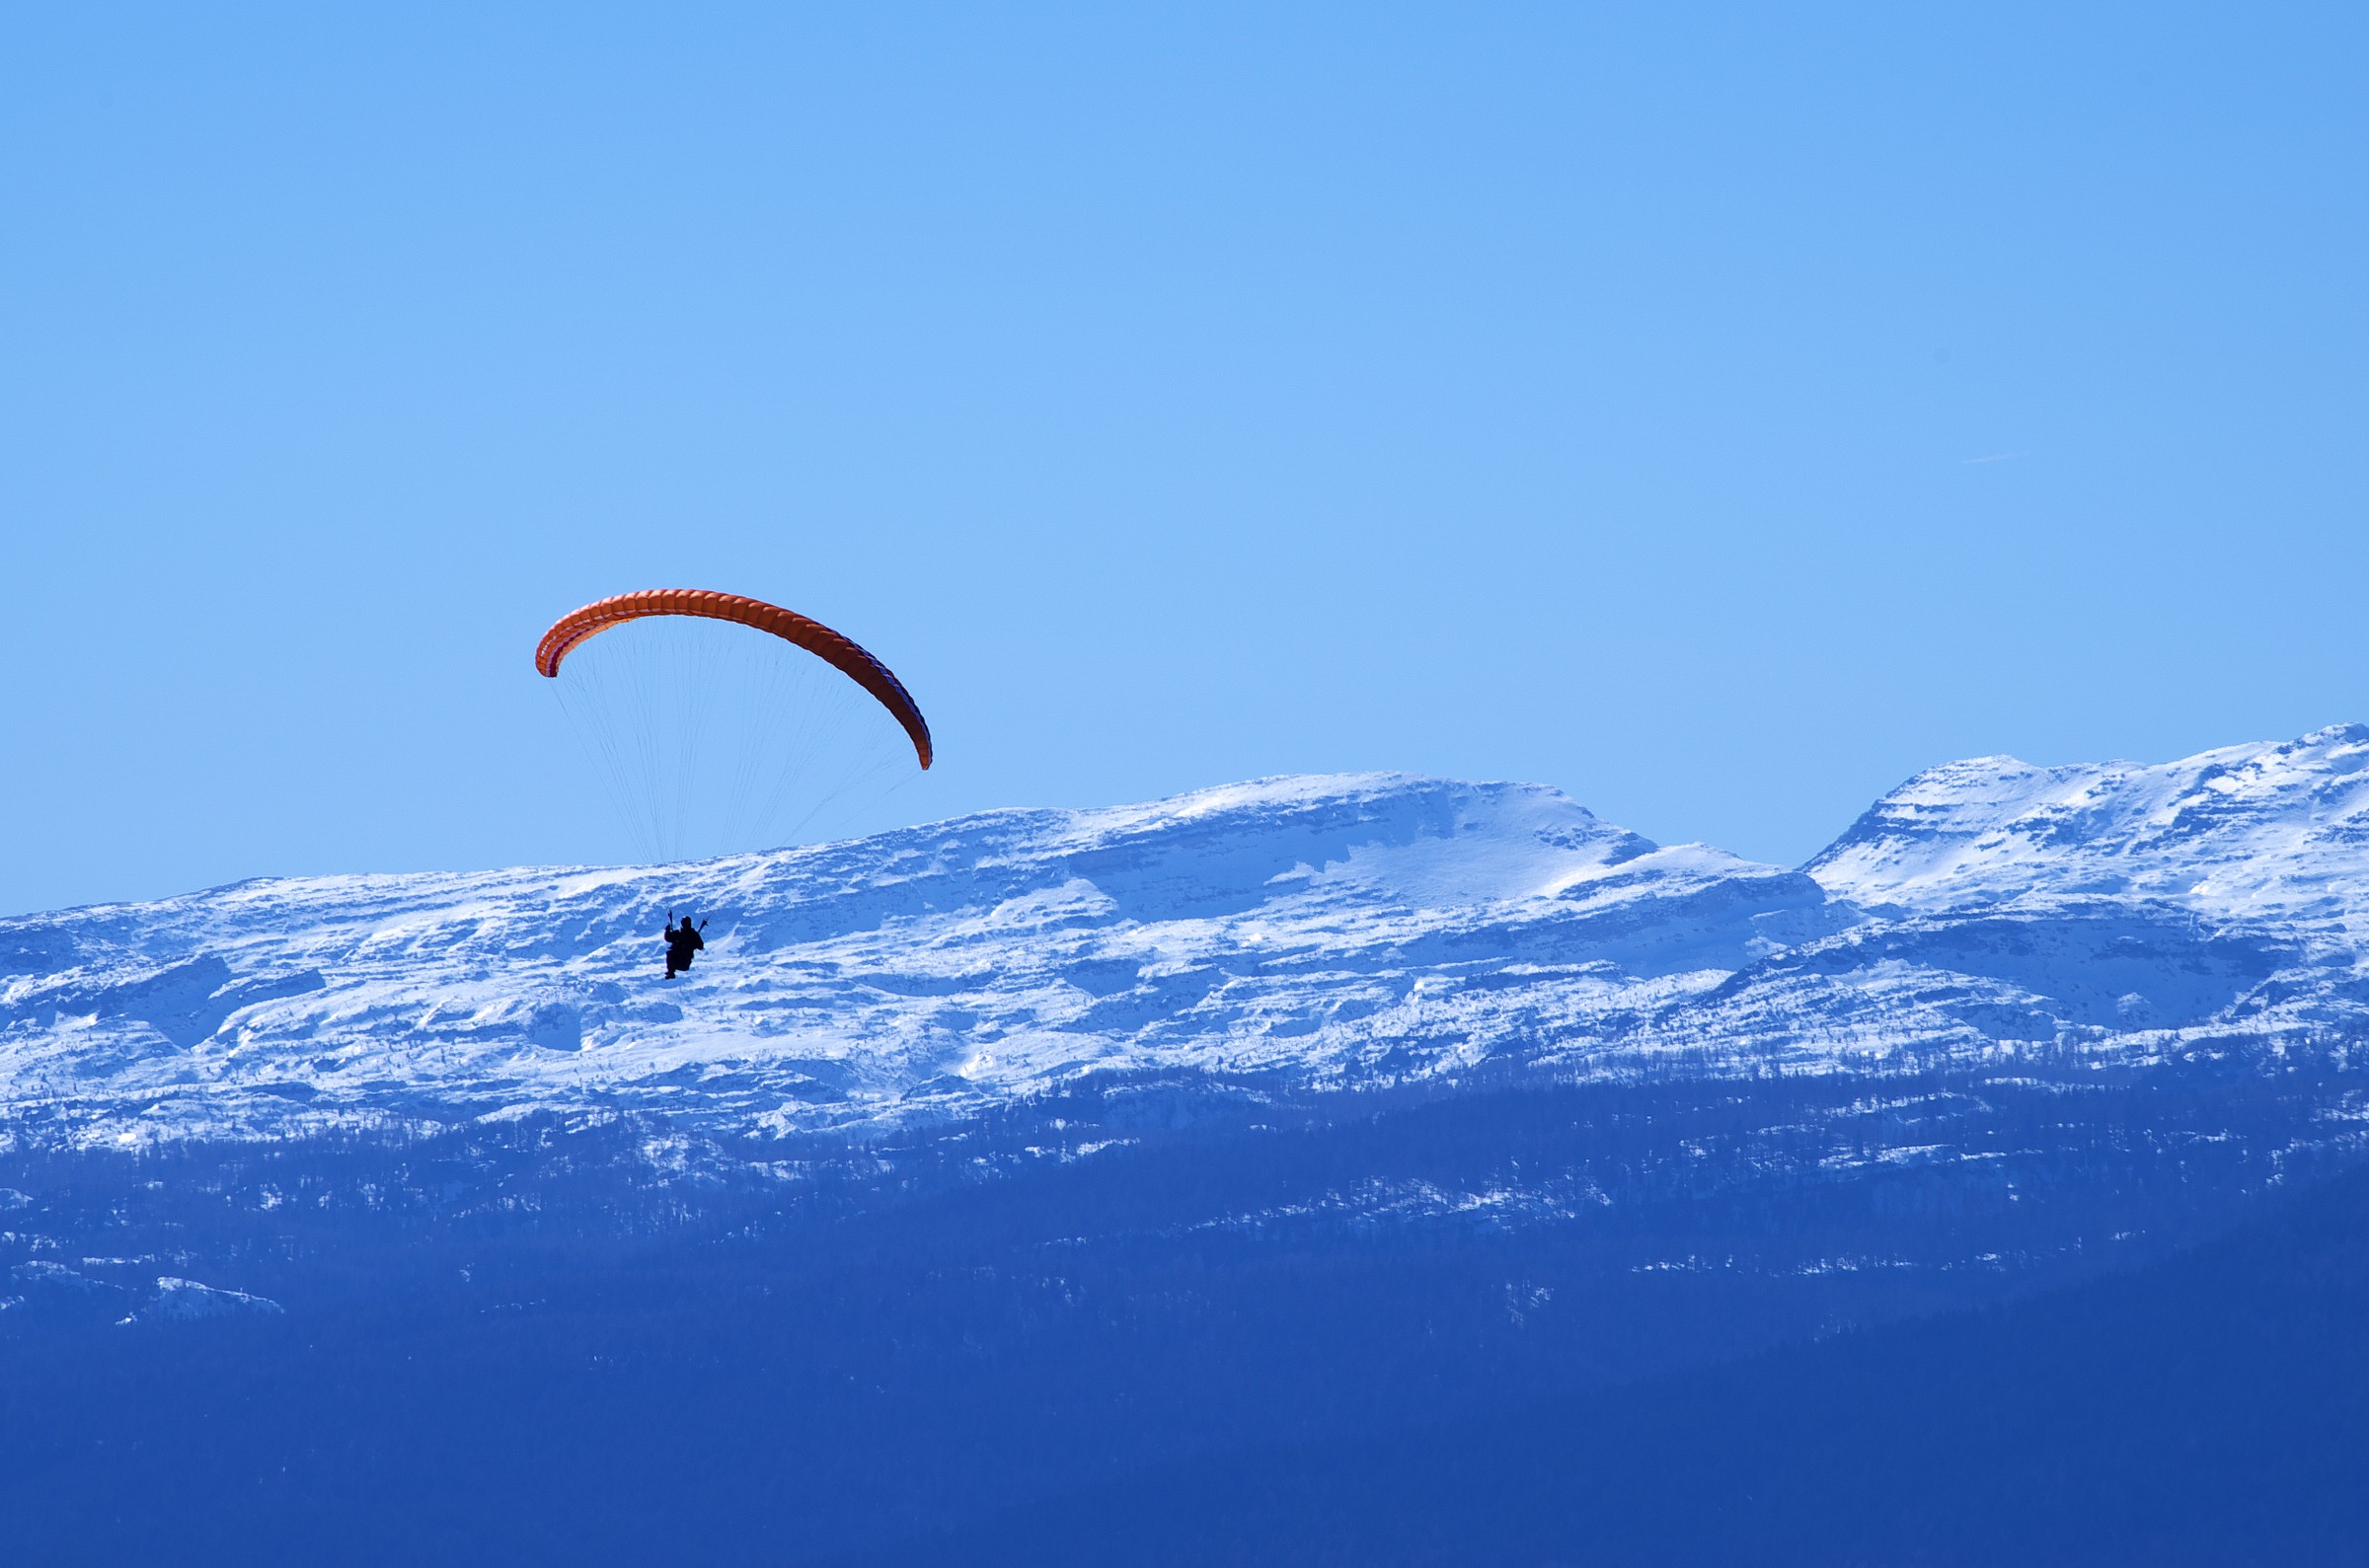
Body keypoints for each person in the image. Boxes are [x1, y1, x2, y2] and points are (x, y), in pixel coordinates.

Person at [663, 911, 707, 980]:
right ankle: (671, 972)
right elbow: (668, 938)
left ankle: (671, 972)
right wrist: (667, 930)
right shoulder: (678, 934)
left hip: (684, 963)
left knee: (671, 953)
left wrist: (695, 941)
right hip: (677, 962)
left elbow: (700, 946)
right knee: (671, 952)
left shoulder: (693, 935)